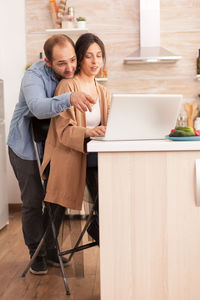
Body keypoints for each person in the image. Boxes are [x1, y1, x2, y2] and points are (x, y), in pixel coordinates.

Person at [7, 34, 96, 275]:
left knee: (57, 198)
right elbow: (37, 108)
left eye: (72, 60)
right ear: (48, 62)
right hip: (26, 147)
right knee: (34, 201)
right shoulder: (33, 77)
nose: (69, 68)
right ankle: (35, 252)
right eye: (61, 63)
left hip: (56, 145)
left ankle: (49, 248)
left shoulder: (73, 77)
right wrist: (70, 98)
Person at [41, 33, 111, 246]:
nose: (95, 61)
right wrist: (90, 132)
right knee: (56, 210)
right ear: (79, 58)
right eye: (89, 56)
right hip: (68, 155)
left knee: (112, 187)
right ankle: (45, 251)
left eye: (99, 56)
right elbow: (63, 131)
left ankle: (103, 229)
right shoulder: (67, 87)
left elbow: (110, 126)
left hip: (93, 155)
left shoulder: (104, 92)